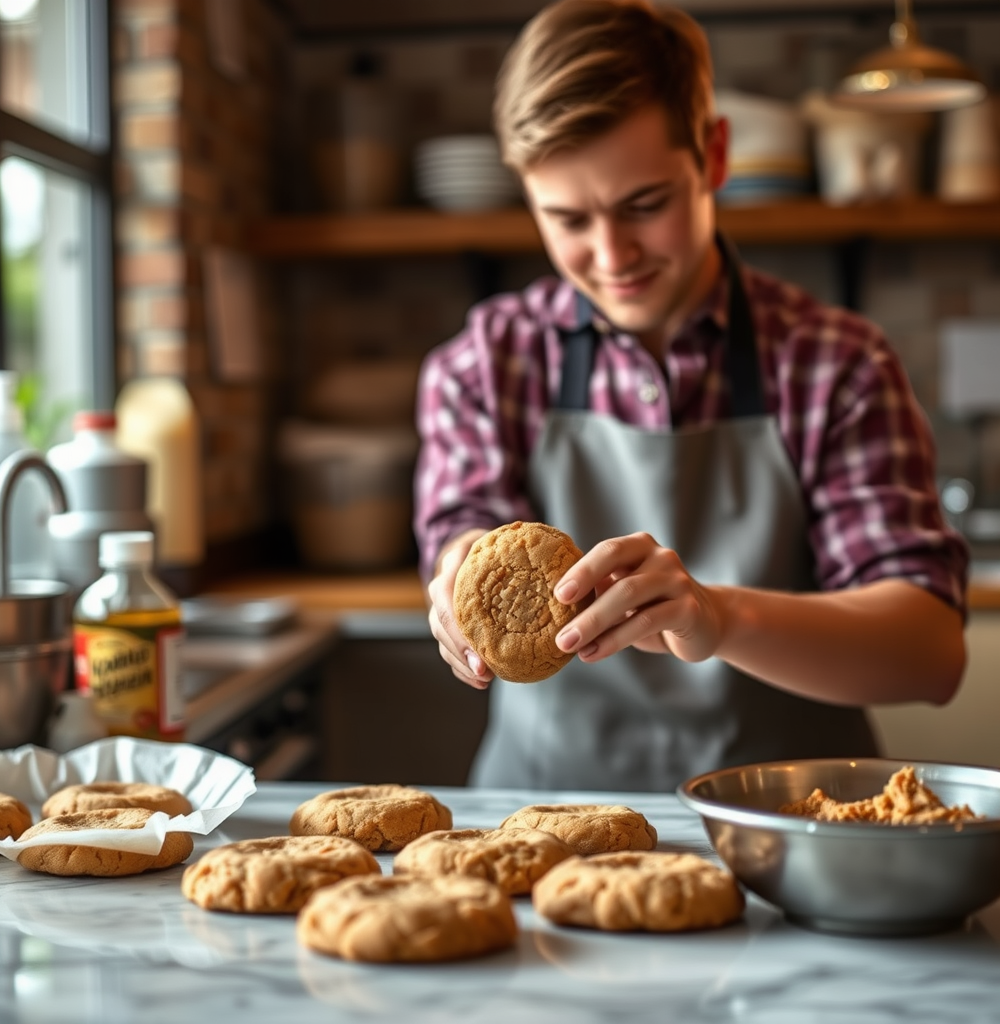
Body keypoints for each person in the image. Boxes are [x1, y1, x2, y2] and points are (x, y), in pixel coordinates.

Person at [413, 0, 969, 791]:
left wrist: (720, 616)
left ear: (713, 156)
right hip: (548, 827)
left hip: (794, 827)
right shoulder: (486, 363)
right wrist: (457, 573)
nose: (612, 255)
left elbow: (929, 651)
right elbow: (463, 536)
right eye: (568, 218)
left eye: (645, 204)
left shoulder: (835, 363)